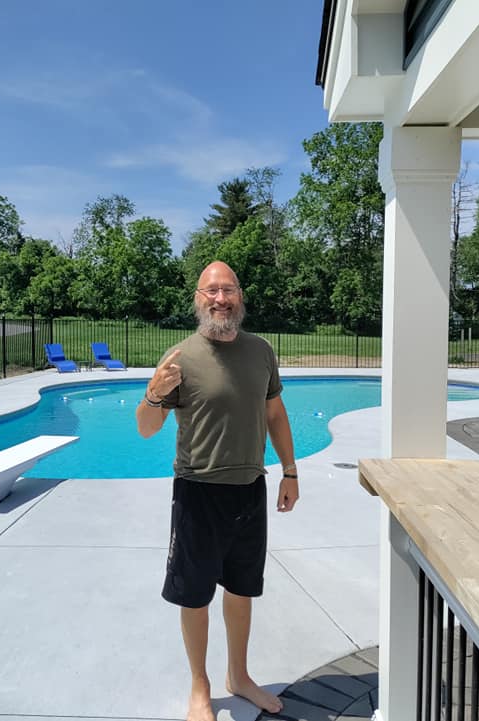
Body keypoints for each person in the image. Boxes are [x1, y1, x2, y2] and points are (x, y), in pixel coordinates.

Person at [136, 261, 299, 721]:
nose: (220, 298)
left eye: (228, 290)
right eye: (212, 291)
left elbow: (275, 415)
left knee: (242, 590)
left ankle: (239, 676)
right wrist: (152, 394)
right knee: (194, 596)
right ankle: (200, 687)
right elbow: (147, 429)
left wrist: (289, 471)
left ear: (240, 298)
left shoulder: (261, 352)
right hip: (198, 493)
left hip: (250, 489)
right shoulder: (180, 358)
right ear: (198, 298)